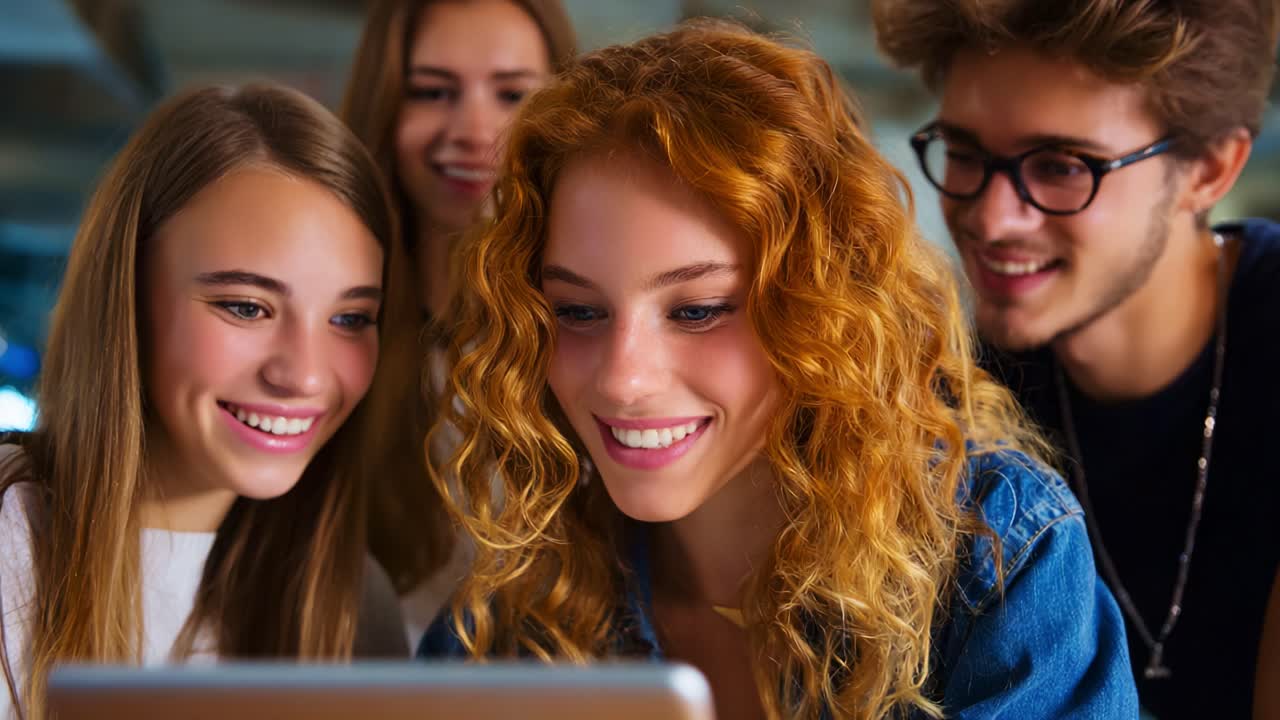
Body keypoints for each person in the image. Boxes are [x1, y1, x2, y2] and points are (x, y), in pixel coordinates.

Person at [417, 21, 1137, 720]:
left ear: (822, 313)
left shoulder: (997, 559)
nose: (621, 380)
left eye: (699, 310)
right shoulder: (518, 603)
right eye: (578, 311)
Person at [872, 1, 1280, 717]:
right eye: (966, 154)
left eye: (1061, 166)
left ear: (1210, 171)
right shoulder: (953, 395)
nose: (992, 219)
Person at [0, 82, 404, 720]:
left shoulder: (352, 606)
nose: (304, 376)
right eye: (246, 307)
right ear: (127, 297)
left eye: (351, 318)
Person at [340, 0, 577, 642]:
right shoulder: (330, 339)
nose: (477, 130)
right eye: (433, 92)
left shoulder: (596, 342)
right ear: (385, 107)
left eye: (513, 93)